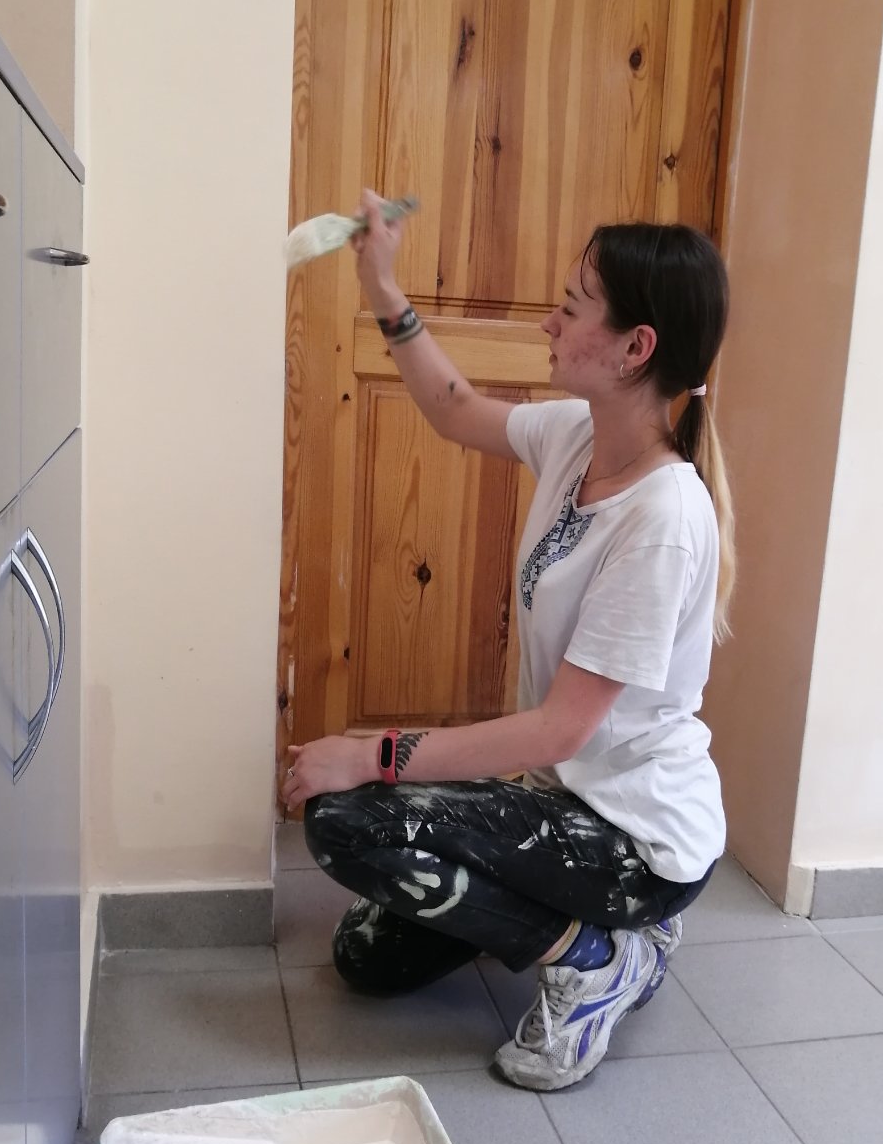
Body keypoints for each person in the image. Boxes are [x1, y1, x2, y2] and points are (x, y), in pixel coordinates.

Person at [283, 189, 734, 1091]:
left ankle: (603, 957)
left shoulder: (664, 518)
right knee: (367, 958)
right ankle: (570, 924)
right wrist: (382, 287)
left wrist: (372, 753)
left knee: (347, 823)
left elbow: (560, 728)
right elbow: (453, 409)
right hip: (560, 796)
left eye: (571, 307)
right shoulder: (576, 438)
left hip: (634, 836)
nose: (547, 323)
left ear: (635, 347)